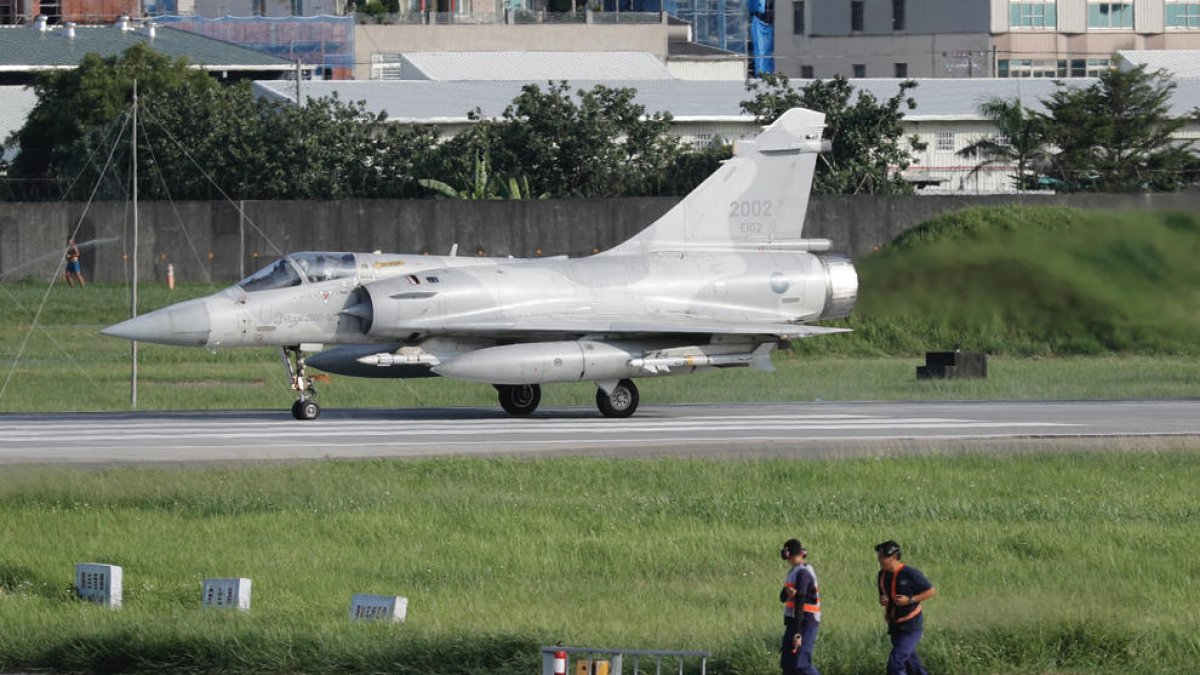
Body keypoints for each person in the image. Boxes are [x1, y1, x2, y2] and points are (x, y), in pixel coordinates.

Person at [875, 540, 936, 675]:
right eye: (879, 556)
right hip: (895, 626)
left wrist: (910, 600)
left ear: (894, 557)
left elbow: (930, 591)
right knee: (912, 665)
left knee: (896, 662)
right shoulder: (882, 575)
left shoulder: (910, 573)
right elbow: (884, 597)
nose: (879, 560)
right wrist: (883, 600)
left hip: (911, 625)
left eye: (882, 557)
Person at [779, 538, 820, 675]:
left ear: (789, 554)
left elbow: (800, 602)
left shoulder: (804, 573)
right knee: (788, 663)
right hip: (793, 621)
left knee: (802, 664)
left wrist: (798, 633)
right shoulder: (793, 572)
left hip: (806, 621)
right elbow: (782, 597)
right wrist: (787, 591)